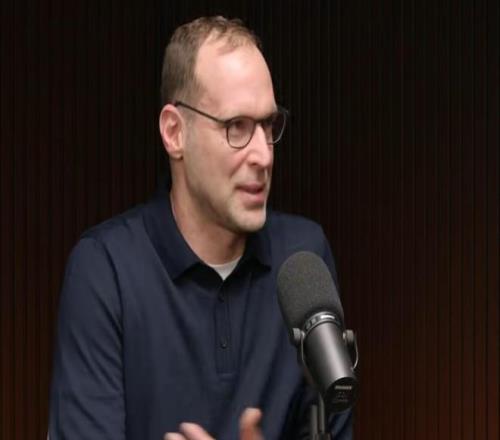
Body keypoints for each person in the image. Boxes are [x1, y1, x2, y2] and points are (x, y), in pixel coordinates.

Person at [49, 16, 353, 440]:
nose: (263, 155)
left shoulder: (303, 261)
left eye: (268, 125)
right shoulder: (105, 269)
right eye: (236, 127)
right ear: (175, 132)